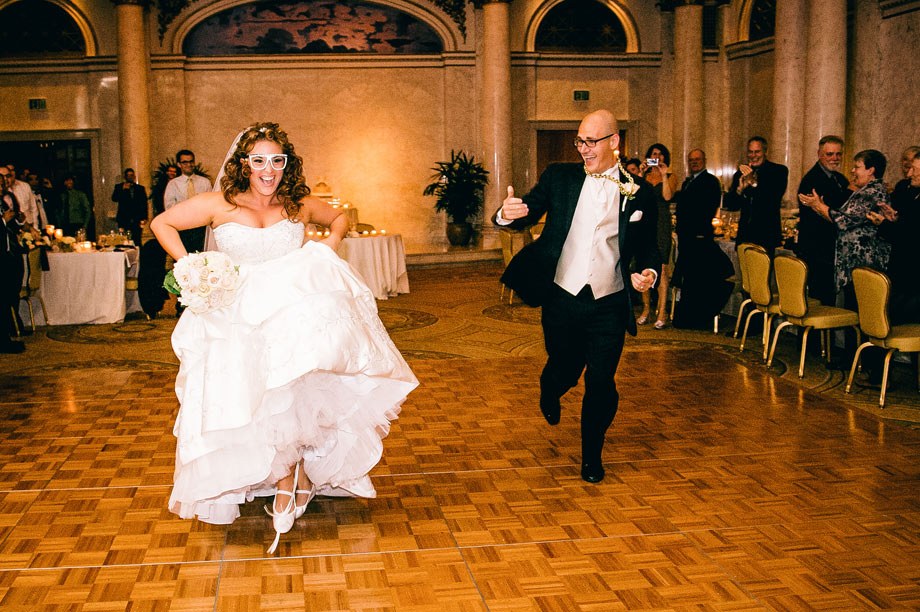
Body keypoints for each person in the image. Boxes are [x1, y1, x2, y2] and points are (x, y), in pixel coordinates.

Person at [149, 122, 417, 553]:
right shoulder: (219, 203)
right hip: (240, 313)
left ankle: (289, 480)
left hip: (296, 312)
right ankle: (290, 478)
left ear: (286, 163)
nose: (268, 169)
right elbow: (162, 223)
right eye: (258, 160)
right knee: (254, 397)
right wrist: (191, 266)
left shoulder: (298, 203)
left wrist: (330, 242)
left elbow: (340, 215)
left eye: (277, 160)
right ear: (243, 164)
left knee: (293, 393)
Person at [495, 109, 660, 483]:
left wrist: (648, 272)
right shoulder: (560, 177)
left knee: (601, 381)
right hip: (563, 298)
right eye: (579, 141)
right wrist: (508, 214)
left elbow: (649, 247)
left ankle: (591, 456)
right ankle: (550, 387)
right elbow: (525, 211)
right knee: (565, 368)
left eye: (591, 142)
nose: (583, 149)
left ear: (614, 142)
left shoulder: (640, 191)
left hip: (610, 302)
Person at [800, 150, 894, 377]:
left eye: (857, 166)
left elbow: (842, 220)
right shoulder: (864, 190)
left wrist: (818, 206)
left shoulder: (872, 192)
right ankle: (853, 357)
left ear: (871, 171)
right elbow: (842, 217)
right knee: (854, 309)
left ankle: (868, 363)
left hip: (865, 262)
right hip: (856, 263)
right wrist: (821, 207)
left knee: (865, 313)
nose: (852, 170)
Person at [670, 149, 733, 329]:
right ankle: (688, 319)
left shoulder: (711, 182)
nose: (694, 163)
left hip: (699, 237)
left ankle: (696, 319)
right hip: (687, 238)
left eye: (697, 160)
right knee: (691, 280)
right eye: (691, 160)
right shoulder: (688, 181)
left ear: (704, 161)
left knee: (700, 281)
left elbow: (706, 209)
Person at [796, 136, 851, 305]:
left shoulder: (841, 179)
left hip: (831, 249)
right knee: (819, 301)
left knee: (829, 298)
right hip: (817, 249)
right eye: (830, 154)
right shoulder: (811, 181)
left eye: (838, 154)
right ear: (819, 154)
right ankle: (813, 332)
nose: (834, 158)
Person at [871, 152, 920, 324]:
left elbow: (911, 236)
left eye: (914, 170)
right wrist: (895, 218)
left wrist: (884, 224)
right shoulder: (908, 189)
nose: (908, 174)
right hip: (902, 267)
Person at [723, 136, 788, 257]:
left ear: (765, 152)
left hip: (766, 236)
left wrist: (753, 182)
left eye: (757, 151)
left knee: (762, 275)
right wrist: (739, 190)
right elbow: (731, 206)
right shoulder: (739, 174)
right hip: (744, 236)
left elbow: (772, 199)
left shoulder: (778, 171)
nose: (753, 155)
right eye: (750, 152)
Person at [638, 143, 676, 329]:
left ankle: (662, 312)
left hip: (661, 225)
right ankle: (646, 309)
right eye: (654, 154)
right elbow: (632, 195)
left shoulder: (670, 176)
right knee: (644, 267)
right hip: (644, 224)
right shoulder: (642, 176)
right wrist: (639, 173)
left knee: (661, 269)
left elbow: (668, 197)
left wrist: (663, 175)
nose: (658, 157)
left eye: (661, 154)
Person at [163, 149, 211, 254]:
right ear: (179, 164)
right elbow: (169, 207)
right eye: (185, 162)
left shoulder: (204, 182)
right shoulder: (173, 184)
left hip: (201, 229)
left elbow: (210, 205)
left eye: (191, 161)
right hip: (182, 229)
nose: (189, 164)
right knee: (183, 261)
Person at [0, 166, 26, 353]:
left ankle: (8, 333)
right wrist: (3, 221)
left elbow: (12, 225)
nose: (2, 185)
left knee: (8, 295)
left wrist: (19, 220)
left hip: (9, 253)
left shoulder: (5, 201)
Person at [112, 167, 148, 244]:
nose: (130, 177)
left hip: (136, 218)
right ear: (125, 177)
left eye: (132, 175)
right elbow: (114, 198)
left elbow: (144, 203)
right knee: (124, 239)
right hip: (124, 218)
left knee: (137, 239)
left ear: (134, 177)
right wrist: (123, 189)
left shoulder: (140, 188)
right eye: (128, 175)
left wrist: (145, 217)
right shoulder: (119, 187)